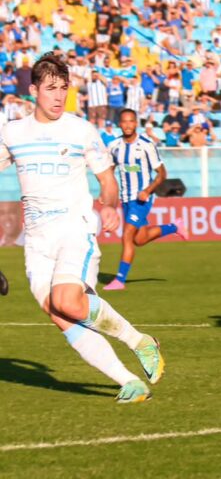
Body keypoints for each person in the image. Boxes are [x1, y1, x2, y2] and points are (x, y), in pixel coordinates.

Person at [0, 55, 163, 403]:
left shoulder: (80, 130)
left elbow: (107, 180)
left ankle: (138, 341)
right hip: (37, 240)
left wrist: (108, 206)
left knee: (67, 300)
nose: (58, 97)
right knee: (59, 314)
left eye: (63, 88)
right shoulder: (12, 133)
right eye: (50, 89)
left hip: (75, 227)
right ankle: (129, 381)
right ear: (33, 91)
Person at [102, 110, 189, 291]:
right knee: (140, 239)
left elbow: (162, 173)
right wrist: (105, 191)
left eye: (131, 121)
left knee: (127, 236)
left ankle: (119, 280)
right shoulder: (114, 146)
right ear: (120, 123)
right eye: (124, 122)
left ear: (136, 124)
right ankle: (175, 227)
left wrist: (148, 191)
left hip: (142, 199)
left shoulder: (146, 145)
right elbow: (109, 172)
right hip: (125, 199)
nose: (127, 125)